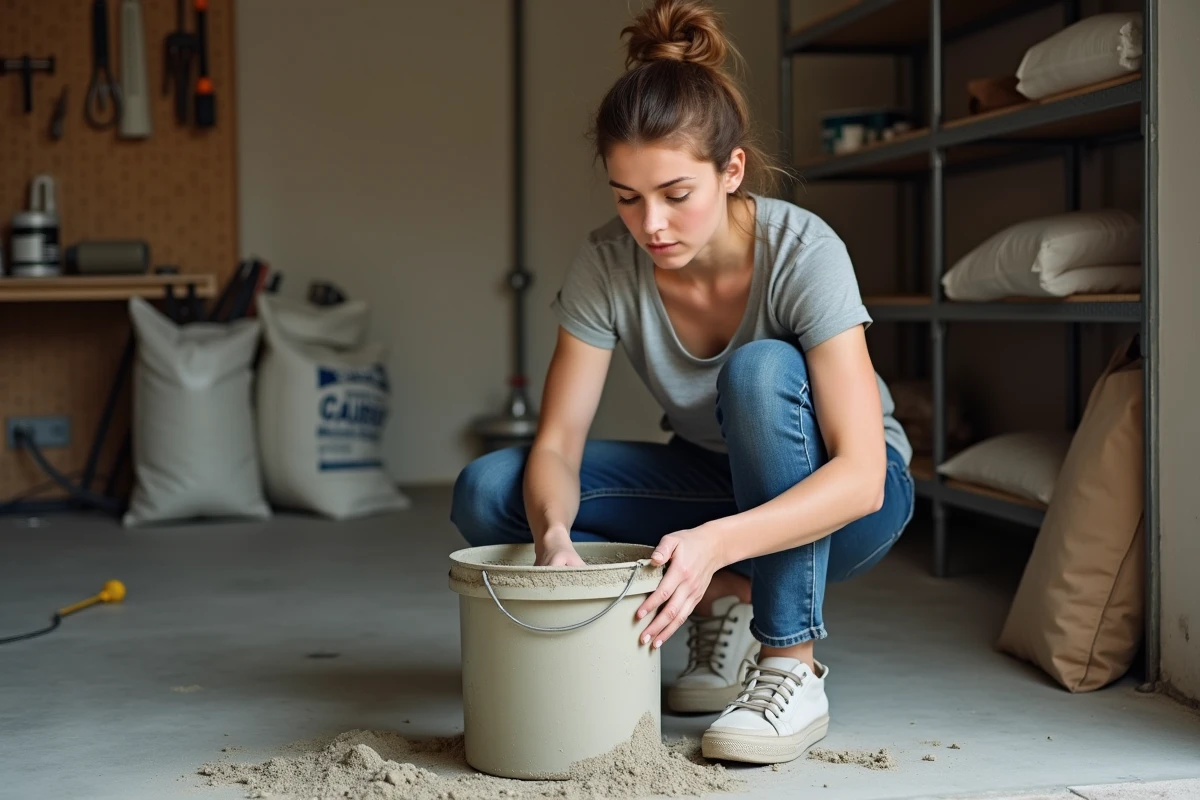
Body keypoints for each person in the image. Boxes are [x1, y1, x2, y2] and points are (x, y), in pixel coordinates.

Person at [450, 0, 914, 766]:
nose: (651, 225)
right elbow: (559, 444)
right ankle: (727, 592)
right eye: (626, 197)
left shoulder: (804, 251)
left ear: (731, 171)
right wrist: (556, 539)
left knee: (760, 370)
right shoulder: (607, 263)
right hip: (714, 480)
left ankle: (788, 667)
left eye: (675, 194)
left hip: (850, 502)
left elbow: (863, 477)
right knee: (491, 490)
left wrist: (714, 544)